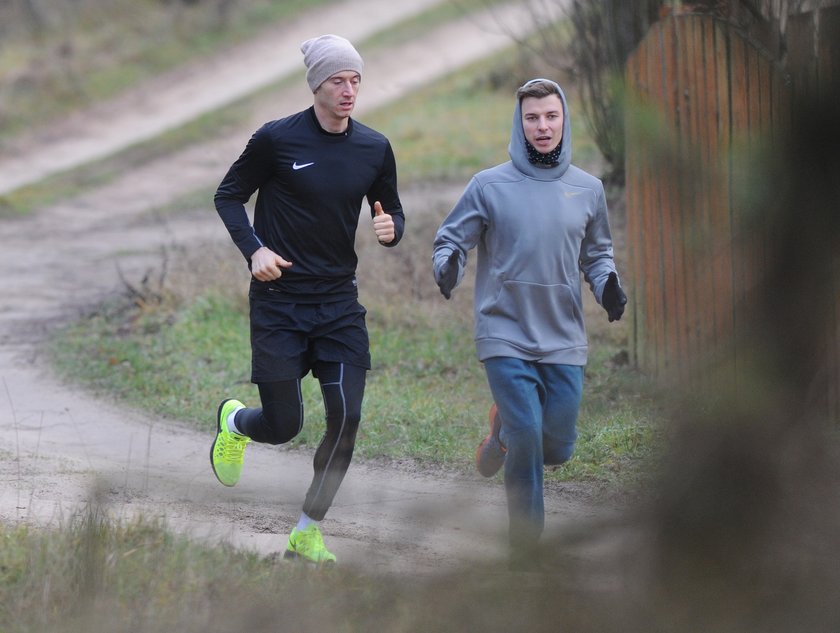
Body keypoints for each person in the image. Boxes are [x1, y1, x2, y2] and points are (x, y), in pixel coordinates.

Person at [211, 34, 405, 566]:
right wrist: (254, 250)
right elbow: (227, 196)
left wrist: (390, 227)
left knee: (347, 418)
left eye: (355, 80)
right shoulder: (277, 140)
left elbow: (392, 211)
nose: (349, 91)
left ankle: (307, 530)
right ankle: (234, 424)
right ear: (316, 85)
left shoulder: (374, 147)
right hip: (279, 303)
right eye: (338, 81)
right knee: (285, 426)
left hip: (339, 306)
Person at [432, 78, 626, 569]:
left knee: (555, 446)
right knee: (529, 434)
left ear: (564, 121)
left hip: (563, 336)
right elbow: (450, 239)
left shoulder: (588, 188)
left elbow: (597, 254)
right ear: (519, 125)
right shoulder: (489, 184)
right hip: (505, 331)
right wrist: (448, 263)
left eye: (551, 116)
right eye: (532, 118)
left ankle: (499, 436)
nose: (542, 126)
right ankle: (527, 546)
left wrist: (608, 287)